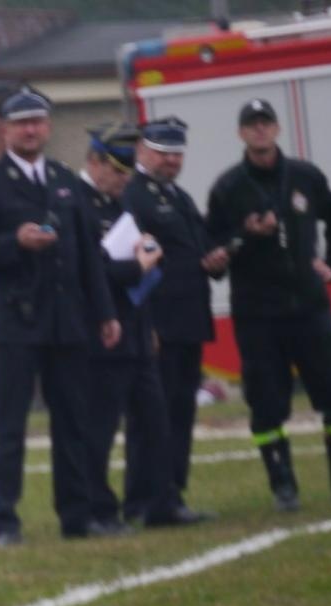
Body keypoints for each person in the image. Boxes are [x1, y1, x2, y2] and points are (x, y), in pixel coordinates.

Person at [0, 86, 121, 546]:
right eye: (21, 122)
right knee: (10, 426)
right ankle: (6, 521)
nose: (30, 130)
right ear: (5, 129)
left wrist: (105, 312)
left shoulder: (65, 180)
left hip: (67, 321)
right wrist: (16, 243)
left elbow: (89, 253)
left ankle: (77, 515)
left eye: (38, 121)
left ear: (48, 126)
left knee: (73, 423)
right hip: (18, 322)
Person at [205, 98, 331, 509]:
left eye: (265, 123)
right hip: (257, 314)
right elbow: (212, 254)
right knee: (265, 402)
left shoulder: (305, 176)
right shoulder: (227, 188)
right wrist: (244, 237)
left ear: (277, 129)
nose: (259, 131)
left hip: (309, 307)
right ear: (241, 133)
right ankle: (284, 489)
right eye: (251, 125)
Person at [121, 116, 223, 526]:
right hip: (159, 323)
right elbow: (134, 262)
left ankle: (172, 495)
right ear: (142, 151)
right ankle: (144, 501)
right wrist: (146, 324)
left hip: (188, 319)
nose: (172, 161)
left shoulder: (178, 197)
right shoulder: (135, 197)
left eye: (177, 154)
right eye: (164, 153)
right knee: (151, 417)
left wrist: (215, 260)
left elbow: (197, 248)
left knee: (180, 413)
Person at [76, 123, 173, 533]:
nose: (123, 180)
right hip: (101, 333)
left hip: (134, 329)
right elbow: (92, 272)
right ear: (95, 162)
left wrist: (147, 324)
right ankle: (100, 508)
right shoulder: (77, 204)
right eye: (116, 171)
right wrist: (138, 265)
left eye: (127, 173)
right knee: (100, 429)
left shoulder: (117, 206)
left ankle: (153, 502)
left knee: (153, 420)